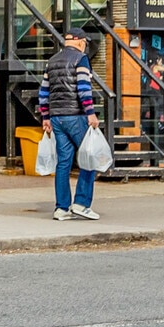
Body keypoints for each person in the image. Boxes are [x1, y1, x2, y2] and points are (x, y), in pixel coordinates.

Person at [38, 31, 101, 222]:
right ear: (81, 42)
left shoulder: (52, 61)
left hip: (57, 118)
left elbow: (43, 91)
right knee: (90, 158)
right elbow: (83, 88)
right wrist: (90, 113)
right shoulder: (81, 59)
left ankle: (61, 208)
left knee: (63, 163)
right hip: (76, 116)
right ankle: (81, 203)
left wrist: (45, 116)